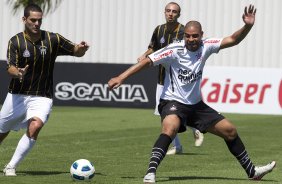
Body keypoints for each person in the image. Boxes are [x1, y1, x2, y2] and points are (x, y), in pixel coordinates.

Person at [108, 4, 276, 183]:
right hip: (172, 101)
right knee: (170, 128)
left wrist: (248, 26)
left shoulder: (207, 46)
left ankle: (252, 172)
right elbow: (147, 61)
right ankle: (150, 172)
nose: (191, 39)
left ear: (201, 35)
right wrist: (121, 76)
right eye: (187, 36)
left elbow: (233, 39)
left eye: (195, 36)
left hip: (196, 105)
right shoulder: (174, 50)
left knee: (230, 131)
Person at [0, 3, 89, 176]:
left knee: (35, 126)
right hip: (17, 95)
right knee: (2, 131)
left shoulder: (52, 39)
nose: (37, 24)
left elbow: (75, 50)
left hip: (42, 95)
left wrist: (82, 48)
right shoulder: (15, 41)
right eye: (33, 20)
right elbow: (10, 67)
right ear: (24, 19)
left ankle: (11, 166)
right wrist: (18, 72)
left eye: (39, 20)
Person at [137, 2, 204, 155]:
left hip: (178, 80)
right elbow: (153, 47)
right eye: (168, 11)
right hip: (162, 78)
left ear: (179, 14)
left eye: (174, 11)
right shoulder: (159, 29)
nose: (170, 14)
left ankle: (195, 128)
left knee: (180, 110)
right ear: (164, 12)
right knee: (164, 114)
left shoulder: (183, 32)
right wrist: (144, 55)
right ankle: (178, 145)